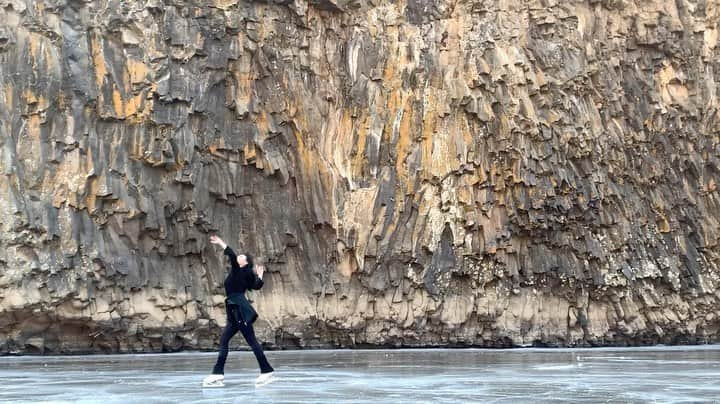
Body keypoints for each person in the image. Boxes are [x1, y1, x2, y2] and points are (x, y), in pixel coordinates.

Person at [202, 235, 274, 387]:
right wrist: (260, 276)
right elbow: (256, 286)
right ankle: (217, 374)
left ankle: (266, 370)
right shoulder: (242, 274)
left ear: (244, 262)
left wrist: (221, 243)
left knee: (251, 341)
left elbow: (232, 255)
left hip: (239, 309)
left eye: (242, 257)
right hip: (233, 310)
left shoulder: (239, 271)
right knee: (224, 340)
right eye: (239, 256)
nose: (238, 257)